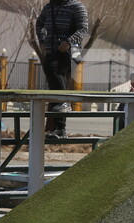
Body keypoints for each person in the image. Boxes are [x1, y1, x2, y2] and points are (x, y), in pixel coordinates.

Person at [36, 0, 89, 139]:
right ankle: (59, 128)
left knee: (53, 70)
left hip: (70, 52)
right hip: (52, 51)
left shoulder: (77, 7)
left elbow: (83, 29)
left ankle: (63, 105)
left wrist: (68, 42)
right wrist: (42, 41)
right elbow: (39, 24)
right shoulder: (49, 7)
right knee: (54, 82)